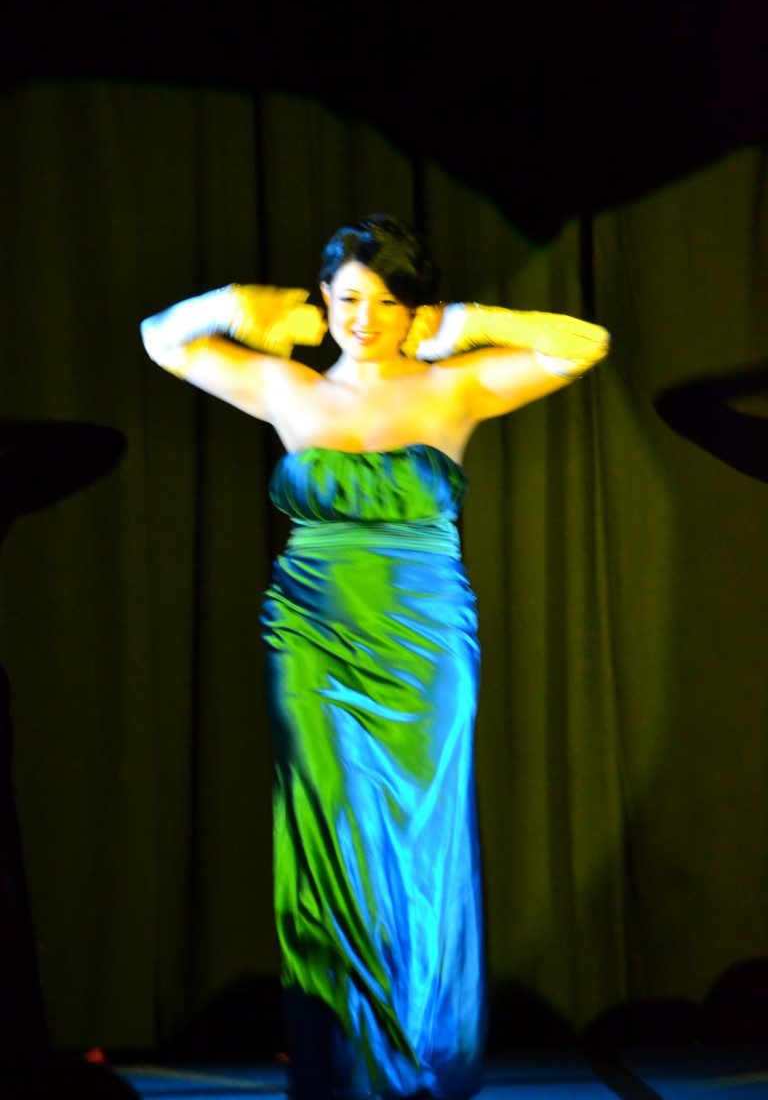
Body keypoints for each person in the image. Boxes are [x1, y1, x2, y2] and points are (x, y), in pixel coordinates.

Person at [141, 214, 610, 1100]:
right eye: (350, 299)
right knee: (329, 839)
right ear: (325, 300)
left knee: (420, 839)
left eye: (388, 302)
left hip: (424, 640)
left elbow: (585, 344)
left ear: (413, 310)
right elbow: (160, 340)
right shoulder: (285, 386)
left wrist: (470, 324)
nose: (364, 318)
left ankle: (419, 1055)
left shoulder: (455, 388)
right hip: (310, 637)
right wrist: (231, 305)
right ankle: (346, 1060)